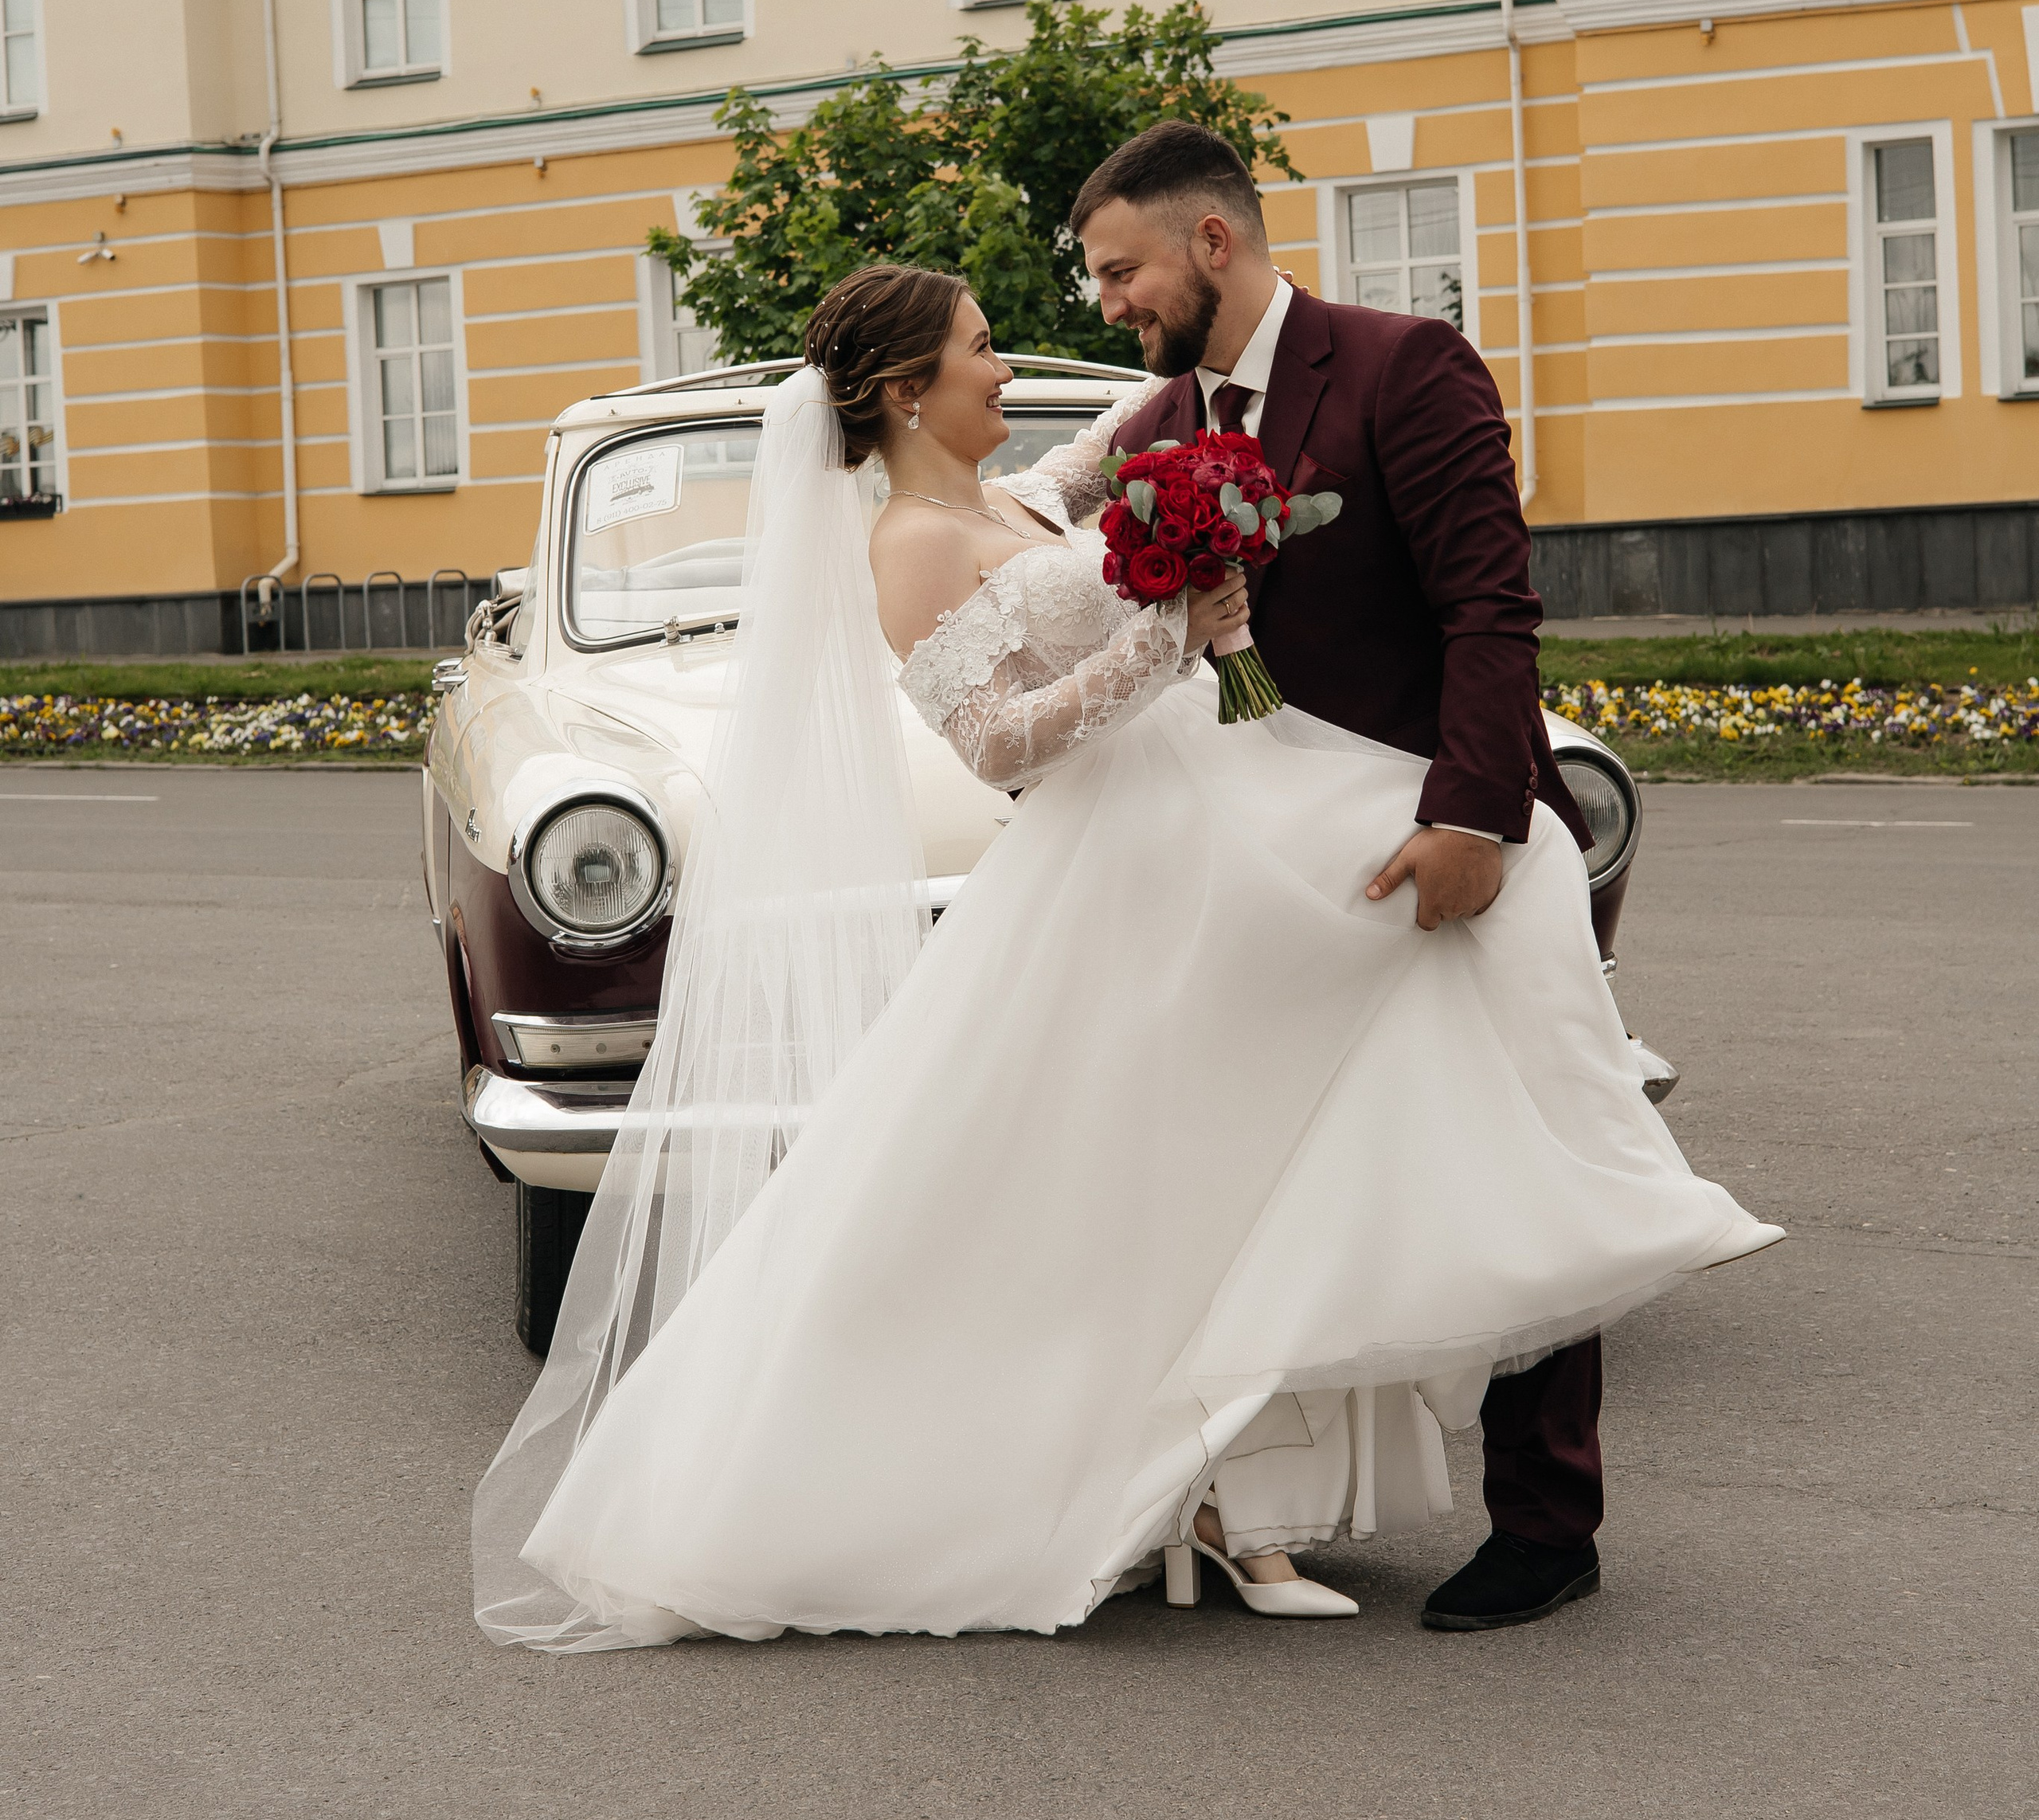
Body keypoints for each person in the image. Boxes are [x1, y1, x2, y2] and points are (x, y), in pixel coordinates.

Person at [472, 250, 1779, 1651]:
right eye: (980, 348)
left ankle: (1522, 1247)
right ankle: (1494, 1279)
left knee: (1444, 940)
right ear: (910, 392)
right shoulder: (910, 540)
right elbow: (990, 745)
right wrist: (1169, 636)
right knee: (1122, 1160)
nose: (1007, 367)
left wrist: (1212, 478)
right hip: (1143, 837)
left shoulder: (1011, 493)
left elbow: (1166, 418)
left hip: (1218, 797)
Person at [1069, 117, 1629, 1628]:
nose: (1108, 303)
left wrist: (1475, 819)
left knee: (1512, 1151)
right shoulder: (1149, 428)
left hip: (1427, 843)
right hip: (1267, 870)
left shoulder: (1402, 368)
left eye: (1122, 270)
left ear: (1212, 241)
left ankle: (1545, 1524)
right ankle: (1235, 1502)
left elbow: (1491, 610)